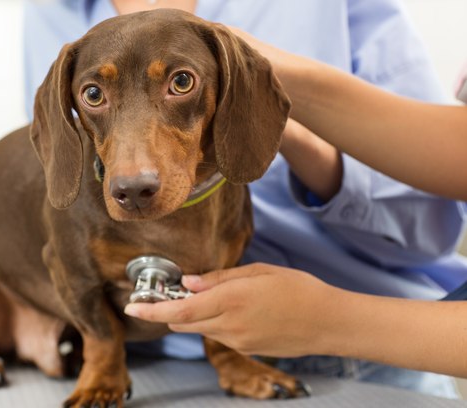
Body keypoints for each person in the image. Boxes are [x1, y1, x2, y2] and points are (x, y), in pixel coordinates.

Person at [0, 0, 467, 398]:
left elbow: (436, 219)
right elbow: (58, 175)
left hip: (379, 355)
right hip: (140, 358)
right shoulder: (53, 13)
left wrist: (282, 129)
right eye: (94, 94)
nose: (133, 175)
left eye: (180, 83)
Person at [124, 40, 467, 378]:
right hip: (155, 365)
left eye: (182, 82)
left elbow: (434, 227)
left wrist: (329, 322)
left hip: (379, 365)